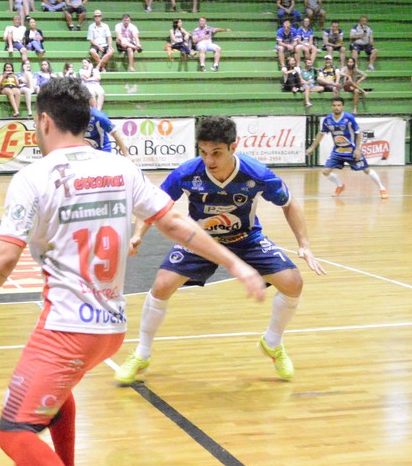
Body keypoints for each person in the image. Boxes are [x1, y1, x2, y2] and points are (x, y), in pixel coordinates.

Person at [0, 79, 265, 466]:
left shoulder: (33, 177)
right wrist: (237, 264)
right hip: (109, 328)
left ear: (45, 121)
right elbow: (178, 227)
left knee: (14, 432)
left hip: (68, 325)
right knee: (57, 395)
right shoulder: (120, 167)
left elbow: (5, 256)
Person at [115, 114, 321, 387]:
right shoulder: (188, 173)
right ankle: (141, 353)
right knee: (162, 285)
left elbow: (290, 203)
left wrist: (304, 245)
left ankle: (272, 343)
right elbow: (154, 204)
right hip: (200, 241)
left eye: (216, 153)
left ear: (233, 147)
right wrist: (137, 234)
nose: (209, 160)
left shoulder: (256, 173)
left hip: (246, 238)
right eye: (203, 152)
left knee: (293, 284)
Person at [306, 97, 388, 199]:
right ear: (332, 107)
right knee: (326, 172)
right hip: (337, 151)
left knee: (366, 170)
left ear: (342, 107)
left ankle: (382, 188)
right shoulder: (328, 119)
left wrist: (357, 149)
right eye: (334, 105)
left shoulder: (349, 118)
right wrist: (312, 148)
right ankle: (340, 186)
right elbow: (321, 134)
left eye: (339, 105)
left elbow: (358, 134)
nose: (336, 107)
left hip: (351, 151)